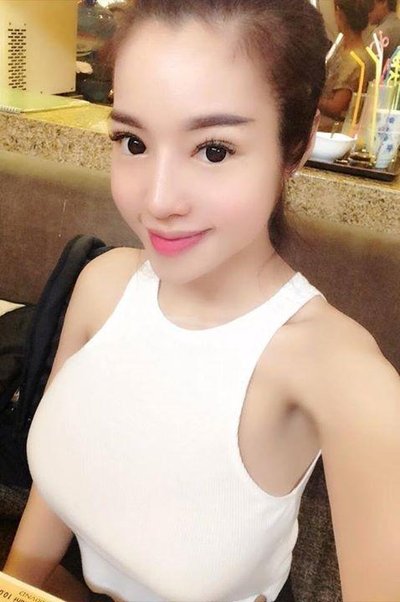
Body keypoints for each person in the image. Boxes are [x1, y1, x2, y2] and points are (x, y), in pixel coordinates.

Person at [4, 1, 400, 601]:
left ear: (295, 148)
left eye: (214, 150)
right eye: (133, 141)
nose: (158, 200)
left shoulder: (346, 379)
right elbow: (51, 503)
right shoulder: (103, 286)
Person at [319, 0, 375, 130]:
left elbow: (336, 106)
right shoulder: (342, 47)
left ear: (341, 16)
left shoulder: (354, 59)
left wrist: (311, 99)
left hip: (333, 128)